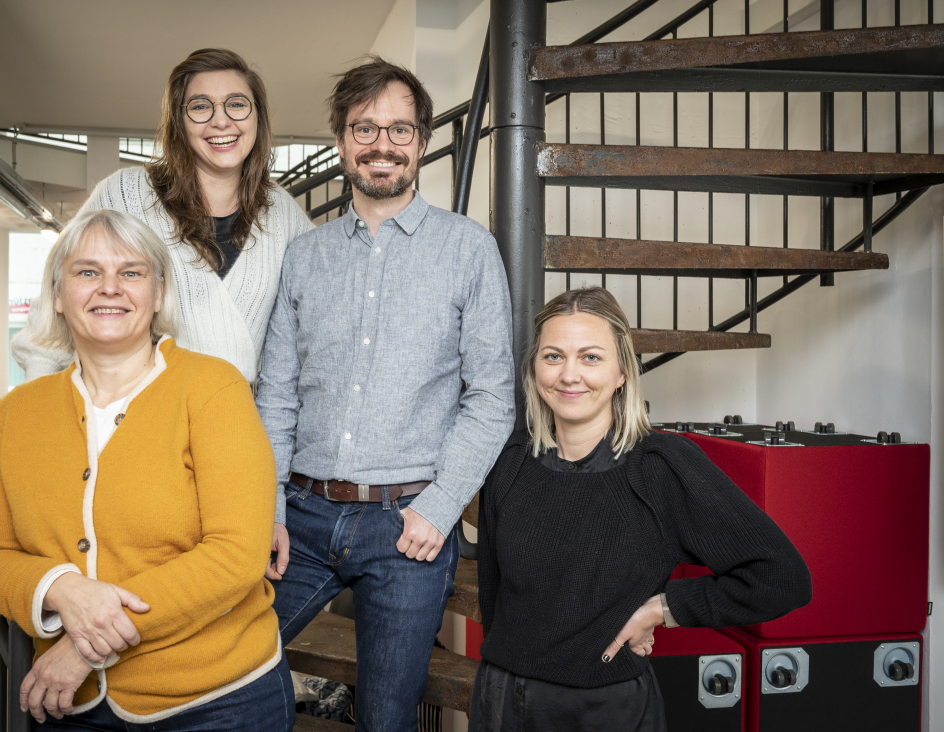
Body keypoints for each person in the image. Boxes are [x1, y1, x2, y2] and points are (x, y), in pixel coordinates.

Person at [255, 57, 515, 732]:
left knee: (387, 716)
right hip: (301, 518)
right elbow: (277, 391)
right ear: (341, 142)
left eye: (399, 129)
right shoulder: (305, 257)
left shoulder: (467, 250)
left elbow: (492, 396)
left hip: (408, 527)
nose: (382, 144)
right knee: (232, 669)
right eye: (363, 127)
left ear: (422, 142)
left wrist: (440, 506)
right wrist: (268, 507)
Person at [0, 208, 290, 731]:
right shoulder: (18, 412)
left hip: (216, 702)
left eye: (132, 273)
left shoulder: (213, 390)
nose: (110, 288)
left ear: (157, 295)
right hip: (72, 706)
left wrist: (85, 648)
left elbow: (237, 555)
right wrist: (60, 589)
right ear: (57, 295)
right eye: (87, 272)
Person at [471, 287, 813, 732]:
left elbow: (782, 578)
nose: (569, 375)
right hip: (499, 700)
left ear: (622, 373)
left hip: (604, 710)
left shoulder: (659, 467)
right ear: (535, 368)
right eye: (553, 356)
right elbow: (494, 595)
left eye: (590, 357)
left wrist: (664, 608)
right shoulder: (511, 460)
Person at [12, 48, 313, 386]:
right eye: (200, 107)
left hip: (239, 423)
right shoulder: (126, 194)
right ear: (179, 122)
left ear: (257, 116)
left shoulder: (282, 212)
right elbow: (56, 307)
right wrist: (36, 407)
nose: (221, 120)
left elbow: (316, 314)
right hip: (144, 418)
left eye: (237, 104)